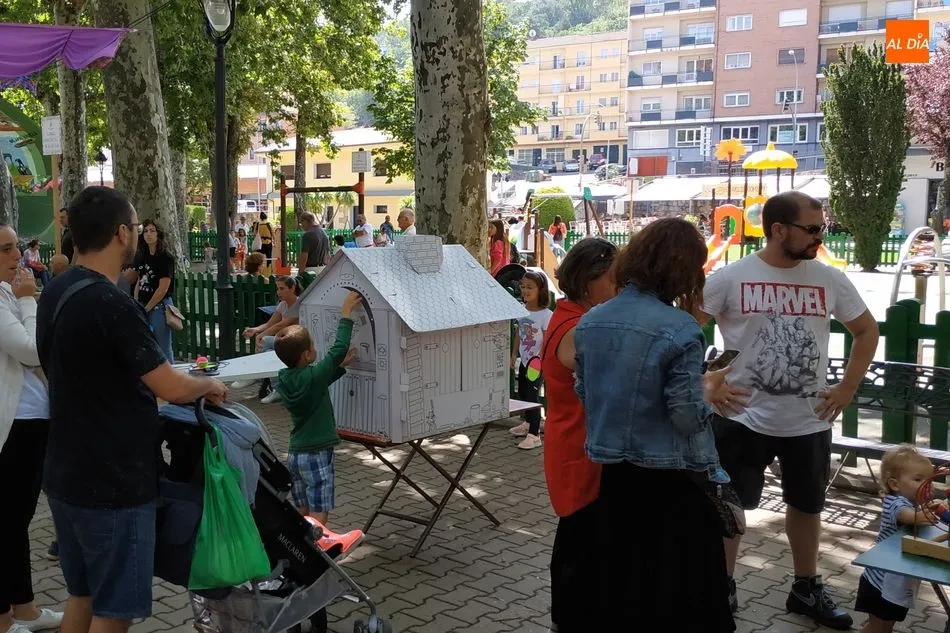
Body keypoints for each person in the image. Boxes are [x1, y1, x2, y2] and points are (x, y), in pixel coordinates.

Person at [36, 186, 228, 633]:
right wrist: (209, 384)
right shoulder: (113, 303)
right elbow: (170, 386)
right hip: (114, 483)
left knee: (82, 595)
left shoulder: (55, 290)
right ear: (122, 233)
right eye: (137, 227)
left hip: (64, 474)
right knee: (114, 609)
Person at [702, 191, 879, 628]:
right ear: (779, 229)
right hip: (741, 418)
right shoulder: (730, 278)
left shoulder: (828, 279)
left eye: (823, 227)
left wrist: (847, 387)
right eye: (812, 229)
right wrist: (706, 384)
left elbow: (866, 330)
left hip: (808, 420)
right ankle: (720, 586)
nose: (821, 236)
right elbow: (684, 329)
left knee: (807, 507)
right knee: (731, 508)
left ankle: (805, 588)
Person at [575, 218, 749, 632]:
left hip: (613, 474)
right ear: (684, 269)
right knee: (680, 591)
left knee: (627, 584)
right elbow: (685, 415)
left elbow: (586, 392)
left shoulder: (592, 320)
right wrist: (708, 392)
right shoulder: (679, 327)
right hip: (671, 479)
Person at [541, 237, 618, 633]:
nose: (620, 286)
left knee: (579, 536)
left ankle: (570, 617)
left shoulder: (573, 316)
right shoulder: (579, 326)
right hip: (577, 446)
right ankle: (569, 619)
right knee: (578, 538)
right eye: (614, 278)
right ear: (589, 280)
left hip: (574, 440)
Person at [0, 225, 64, 633]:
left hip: (30, 422)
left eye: (16, 247)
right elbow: (31, 348)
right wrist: (29, 301)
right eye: (6, 249)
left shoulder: (6, 293)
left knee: (16, 521)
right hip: (13, 427)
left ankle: (24, 608)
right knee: (7, 522)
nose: (16, 256)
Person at [275, 291, 362, 525]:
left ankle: (300, 544)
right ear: (306, 355)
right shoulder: (313, 376)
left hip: (295, 453)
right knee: (319, 508)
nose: (315, 348)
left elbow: (314, 386)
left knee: (302, 507)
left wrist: (338, 368)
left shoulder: (284, 377)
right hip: (317, 452)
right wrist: (346, 313)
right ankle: (317, 544)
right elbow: (338, 349)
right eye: (312, 346)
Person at [855, 446, 935, 633]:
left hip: (895, 580)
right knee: (878, 627)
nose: (926, 485)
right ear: (895, 484)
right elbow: (907, 516)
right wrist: (929, 514)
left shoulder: (914, 503)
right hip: (881, 582)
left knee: (885, 626)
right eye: (918, 479)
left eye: (929, 481)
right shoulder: (895, 502)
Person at [242, 276, 302, 404]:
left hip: (298, 342)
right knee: (268, 352)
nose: (278, 292)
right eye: (277, 289)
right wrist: (255, 330)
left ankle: (256, 373)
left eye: (282, 288)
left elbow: (281, 325)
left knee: (265, 341)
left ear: (292, 288)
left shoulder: (298, 304)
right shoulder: (282, 305)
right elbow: (270, 324)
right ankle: (275, 387)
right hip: (285, 341)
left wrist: (261, 336)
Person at [509, 270, 551, 450]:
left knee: (532, 396)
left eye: (530, 287)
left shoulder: (546, 315)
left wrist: (539, 360)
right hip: (525, 360)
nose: (525, 290)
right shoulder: (521, 311)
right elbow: (519, 334)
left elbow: (547, 340)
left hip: (536, 363)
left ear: (540, 290)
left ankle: (534, 435)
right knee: (524, 392)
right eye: (523, 286)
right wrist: (513, 354)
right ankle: (527, 423)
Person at [125, 220, 177, 362]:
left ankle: (170, 374)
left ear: (158, 234)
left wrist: (148, 308)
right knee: (146, 346)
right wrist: (137, 302)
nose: (148, 234)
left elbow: (163, 288)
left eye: (152, 231)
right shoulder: (143, 256)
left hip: (159, 307)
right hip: (143, 304)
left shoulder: (165, 257)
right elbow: (139, 280)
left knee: (163, 347)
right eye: (146, 231)